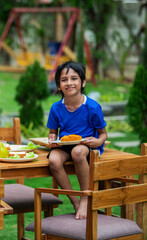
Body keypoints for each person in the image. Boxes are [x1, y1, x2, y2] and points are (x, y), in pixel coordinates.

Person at [47, 61, 107, 220]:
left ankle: (85, 198)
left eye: (74, 78)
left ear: (83, 83)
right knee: (53, 159)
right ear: (59, 85)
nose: (69, 83)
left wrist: (98, 142)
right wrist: (52, 139)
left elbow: (103, 134)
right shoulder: (56, 108)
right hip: (65, 145)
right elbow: (53, 132)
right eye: (64, 79)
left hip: (86, 145)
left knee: (78, 151)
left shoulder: (92, 107)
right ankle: (74, 200)